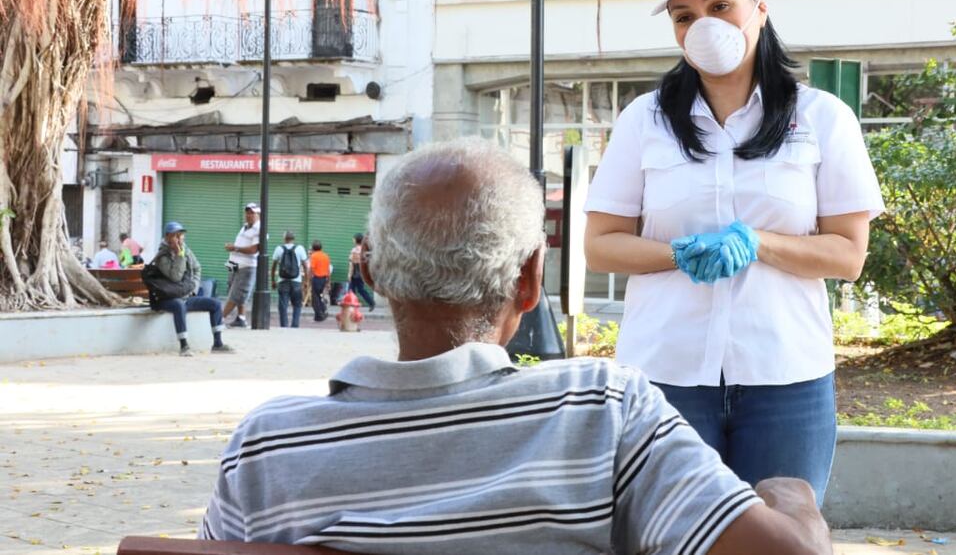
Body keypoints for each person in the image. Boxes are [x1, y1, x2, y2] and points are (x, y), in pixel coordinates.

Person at [199, 139, 832, 554]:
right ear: (529, 280)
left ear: (371, 274)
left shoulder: (265, 448)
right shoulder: (602, 412)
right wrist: (792, 496)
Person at [583, 0, 884, 505]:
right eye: (684, 16)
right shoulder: (644, 120)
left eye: (720, 6)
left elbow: (848, 255)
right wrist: (676, 253)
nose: (703, 26)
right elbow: (600, 245)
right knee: (669, 534)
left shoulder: (822, 118)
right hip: (665, 377)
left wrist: (759, 242)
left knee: (782, 533)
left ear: (759, 9)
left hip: (786, 379)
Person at [143, 221, 234, 357]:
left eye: (180, 235)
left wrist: (193, 289)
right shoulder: (162, 256)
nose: (179, 239)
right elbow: (175, 277)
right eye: (175, 235)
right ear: (167, 237)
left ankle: (218, 343)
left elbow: (197, 268)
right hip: (166, 298)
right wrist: (179, 256)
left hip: (185, 295)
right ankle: (184, 345)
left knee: (215, 304)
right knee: (179, 305)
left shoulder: (186, 250)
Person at [223, 203, 261, 328]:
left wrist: (235, 248)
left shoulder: (259, 229)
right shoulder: (245, 226)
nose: (248, 215)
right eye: (247, 212)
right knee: (231, 289)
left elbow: (254, 249)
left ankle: (218, 318)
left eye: (252, 213)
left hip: (247, 265)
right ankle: (241, 318)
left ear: (258, 215)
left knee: (237, 293)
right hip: (233, 262)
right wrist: (233, 248)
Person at [271, 230, 308, 328]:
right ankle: (295, 325)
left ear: (284, 238)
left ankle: (284, 326)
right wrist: (306, 281)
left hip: (282, 281)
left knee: (283, 305)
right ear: (293, 239)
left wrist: (273, 280)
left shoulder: (279, 249)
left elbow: (273, 266)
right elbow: (305, 266)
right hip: (296, 281)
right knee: (297, 304)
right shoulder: (300, 248)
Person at [347, 232, 376, 312]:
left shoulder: (354, 250)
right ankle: (370, 302)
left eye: (353, 238)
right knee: (359, 289)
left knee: (351, 290)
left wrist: (349, 274)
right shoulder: (364, 250)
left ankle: (353, 306)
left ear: (356, 240)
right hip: (362, 272)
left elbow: (352, 264)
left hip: (355, 273)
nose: (353, 240)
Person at [307, 240, 331, 322]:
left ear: (313, 248)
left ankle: (320, 314)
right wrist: (328, 281)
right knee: (319, 296)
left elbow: (311, 269)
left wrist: (309, 278)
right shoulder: (325, 256)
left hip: (316, 278)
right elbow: (328, 270)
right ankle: (320, 313)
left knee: (315, 298)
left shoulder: (313, 256)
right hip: (324, 279)